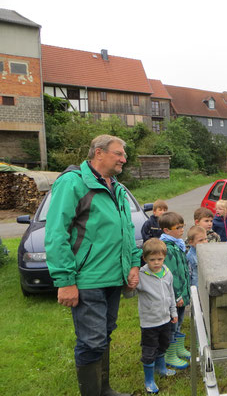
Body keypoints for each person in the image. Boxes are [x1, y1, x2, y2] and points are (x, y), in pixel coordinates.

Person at [45, 134, 141, 396]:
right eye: (119, 154)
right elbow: (56, 233)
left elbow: (127, 228)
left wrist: (133, 264)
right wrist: (65, 281)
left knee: (104, 335)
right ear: (99, 153)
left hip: (113, 277)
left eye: (124, 155)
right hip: (87, 279)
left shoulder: (116, 187)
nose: (124, 159)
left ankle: (104, 389)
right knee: (91, 342)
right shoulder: (73, 183)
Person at [123, 239, 178, 394]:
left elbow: (170, 294)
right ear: (145, 259)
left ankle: (161, 368)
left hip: (165, 319)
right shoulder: (141, 275)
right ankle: (149, 379)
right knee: (149, 350)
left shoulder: (167, 273)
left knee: (163, 344)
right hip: (149, 323)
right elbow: (129, 294)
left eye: (159, 259)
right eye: (152, 260)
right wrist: (128, 286)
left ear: (164, 258)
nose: (156, 263)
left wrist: (173, 312)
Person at [158, 212, 190, 370]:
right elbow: (172, 276)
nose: (181, 230)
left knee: (180, 322)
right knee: (173, 324)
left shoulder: (178, 244)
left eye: (182, 226)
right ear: (166, 230)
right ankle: (170, 355)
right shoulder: (168, 249)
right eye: (178, 228)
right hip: (175, 297)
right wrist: (177, 296)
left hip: (182, 295)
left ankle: (178, 348)